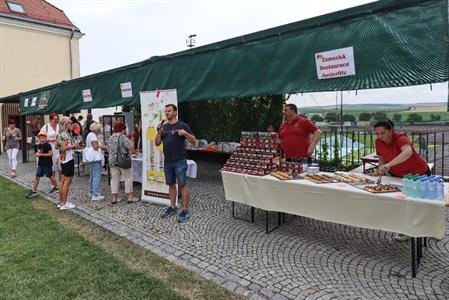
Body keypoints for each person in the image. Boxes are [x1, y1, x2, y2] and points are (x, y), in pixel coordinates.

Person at [374, 120, 430, 242]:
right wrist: (380, 169)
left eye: (383, 133)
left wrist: (389, 165)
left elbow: (407, 152)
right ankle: (405, 230)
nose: (380, 136)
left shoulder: (401, 138)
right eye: (377, 134)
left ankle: (429, 228)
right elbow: (382, 157)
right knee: (401, 202)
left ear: (391, 130)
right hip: (398, 175)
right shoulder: (378, 142)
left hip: (418, 173)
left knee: (422, 203)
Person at [156, 104, 196, 223]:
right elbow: (157, 143)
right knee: (171, 185)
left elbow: (194, 141)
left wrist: (185, 133)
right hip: (168, 161)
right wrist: (158, 132)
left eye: (169, 111)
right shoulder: (164, 126)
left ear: (175, 112)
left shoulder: (182, 125)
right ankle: (173, 207)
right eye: (166, 111)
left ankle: (184, 210)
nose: (167, 113)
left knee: (182, 185)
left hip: (180, 161)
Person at [107, 121, 137, 204]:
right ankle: (130, 198)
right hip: (123, 161)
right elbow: (131, 147)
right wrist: (132, 141)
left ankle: (114, 199)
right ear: (123, 129)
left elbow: (108, 150)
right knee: (128, 178)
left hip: (112, 161)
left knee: (114, 179)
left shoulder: (111, 137)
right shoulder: (123, 137)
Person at [27, 131, 58, 198]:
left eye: (43, 138)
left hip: (47, 164)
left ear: (46, 138)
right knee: (37, 177)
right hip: (40, 164)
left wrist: (40, 154)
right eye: (40, 138)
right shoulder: (39, 145)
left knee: (50, 176)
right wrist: (36, 154)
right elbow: (39, 152)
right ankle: (33, 191)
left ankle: (56, 187)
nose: (41, 139)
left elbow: (51, 154)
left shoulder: (48, 145)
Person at [57, 116, 79, 210]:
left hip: (63, 159)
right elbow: (64, 147)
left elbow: (56, 146)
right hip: (68, 159)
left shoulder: (60, 134)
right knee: (67, 182)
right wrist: (74, 145)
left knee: (63, 181)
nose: (71, 124)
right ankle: (64, 203)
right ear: (66, 124)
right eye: (70, 123)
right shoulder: (65, 134)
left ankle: (61, 202)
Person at [86, 122, 105, 201]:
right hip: (96, 158)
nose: (100, 130)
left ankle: (91, 191)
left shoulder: (89, 135)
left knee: (93, 175)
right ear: (96, 129)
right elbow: (95, 147)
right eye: (99, 129)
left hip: (92, 158)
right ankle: (95, 194)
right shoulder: (93, 135)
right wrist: (100, 146)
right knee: (96, 175)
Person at [41, 112, 61, 184]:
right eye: (55, 119)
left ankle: (61, 183)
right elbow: (40, 138)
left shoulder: (59, 126)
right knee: (53, 167)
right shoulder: (46, 127)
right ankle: (54, 184)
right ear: (50, 119)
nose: (56, 121)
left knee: (60, 166)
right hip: (50, 148)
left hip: (59, 148)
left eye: (57, 119)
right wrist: (49, 139)